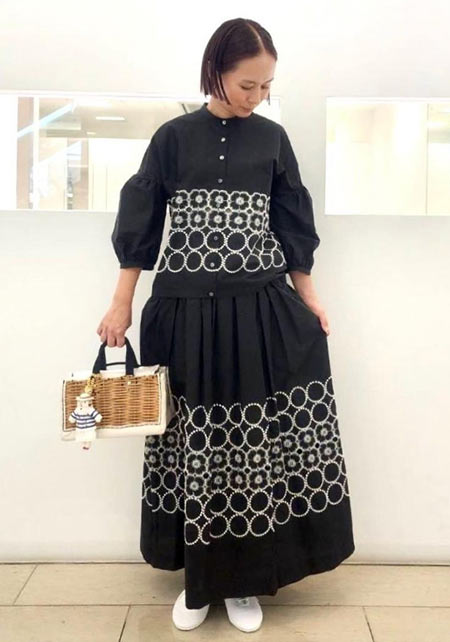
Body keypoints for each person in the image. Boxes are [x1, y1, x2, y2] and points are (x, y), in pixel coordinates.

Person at [97, 17, 355, 634]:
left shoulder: (273, 139)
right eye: (247, 85)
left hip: (258, 309)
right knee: (193, 443)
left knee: (250, 446)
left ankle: (244, 583)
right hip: (182, 311)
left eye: (266, 87)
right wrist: (120, 303)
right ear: (215, 72)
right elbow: (141, 223)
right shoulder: (172, 138)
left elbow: (292, 224)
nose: (256, 97)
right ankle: (199, 581)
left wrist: (310, 298)